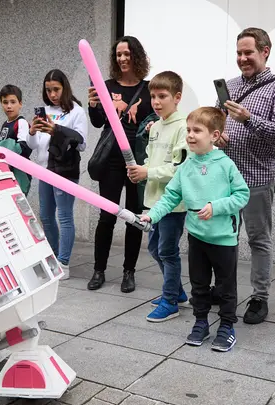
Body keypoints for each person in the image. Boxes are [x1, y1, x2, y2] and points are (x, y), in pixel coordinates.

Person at [141, 107, 249, 352]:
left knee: (225, 286)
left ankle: (227, 326)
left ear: (214, 135)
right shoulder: (186, 167)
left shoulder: (225, 165)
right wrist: (151, 216)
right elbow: (170, 198)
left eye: (196, 130)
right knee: (199, 284)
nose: (190, 135)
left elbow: (242, 195)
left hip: (223, 239)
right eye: (188, 130)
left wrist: (217, 206)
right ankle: (201, 322)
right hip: (197, 237)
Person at [214, 27, 275, 325]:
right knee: (224, 238)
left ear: (265, 51)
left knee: (258, 239)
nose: (242, 58)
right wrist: (217, 136)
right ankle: (224, 289)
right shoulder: (230, 85)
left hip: (255, 178)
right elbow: (216, 123)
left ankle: (260, 298)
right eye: (239, 53)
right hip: (223, 177)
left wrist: (248, 119)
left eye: (248, 52)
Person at [87, 35, 155, 293]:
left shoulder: (149, 89)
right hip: (111, 162)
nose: (123, 58)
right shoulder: (106, 86)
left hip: (137, 161)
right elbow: (97, 122)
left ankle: (129, 272)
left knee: (134, 218)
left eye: (127, 54)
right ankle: (99, 270)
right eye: (118, 55)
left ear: (136, 56)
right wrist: (93, 105)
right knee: (107, 216)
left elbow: (154, 120)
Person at [126, 71, 190, 322]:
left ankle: (170, 300)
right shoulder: (155, 126)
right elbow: (151, 160)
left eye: (162, 96)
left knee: (167, 251)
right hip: (154, 202)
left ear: (177, 97)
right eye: (153, 96)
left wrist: (147, 172)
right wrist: (140, 171)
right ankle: (177, 291)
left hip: (173, 204)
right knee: (154, 247)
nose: (156, 101)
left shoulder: (183, 126)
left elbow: (179, 169)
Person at [27, 69, 88, 280]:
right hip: (43, 169)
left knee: (64, 216)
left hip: (64, 171)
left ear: (65, 88)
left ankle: (64, 262)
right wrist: (33, 131)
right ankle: (53, 258)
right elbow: (33, 145)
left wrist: (56, 130)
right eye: (48, 90)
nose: (52, 94)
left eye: (56, 89)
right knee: (45, 215)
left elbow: (81, 143)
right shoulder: (43, 110)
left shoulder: (76, 111)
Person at [0, 84, 32, 195]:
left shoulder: (21, 122)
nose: (9, 106)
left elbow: (24, 148)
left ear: (20, 104)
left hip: (20, 173)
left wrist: (4, 146)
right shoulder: (5, 124)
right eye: (5, 102)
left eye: (13, 102)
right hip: (8, 172)